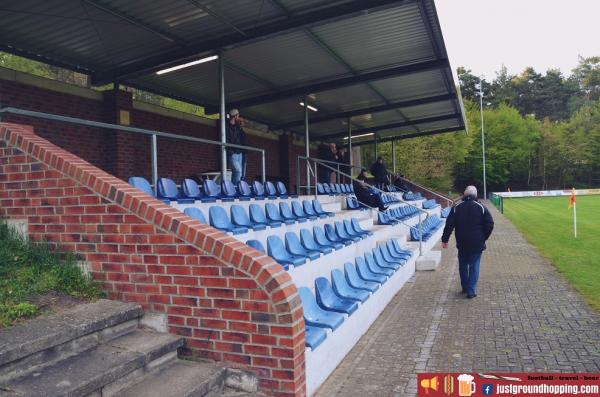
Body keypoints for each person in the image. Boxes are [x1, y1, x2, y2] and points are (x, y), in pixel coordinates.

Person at [441, 185, 494, 299]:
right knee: (474, 265)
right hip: (477, 242)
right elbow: (490, 224)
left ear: (464, 195)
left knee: (463, 265)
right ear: (475, 195)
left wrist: (445, 240)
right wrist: (484, 237)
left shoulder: (456, 207)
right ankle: (471, 291)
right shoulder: (481, 207)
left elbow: (449, 225)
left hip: (462, 242)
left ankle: (465, 287)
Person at [226, 109, 247, 184]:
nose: (239, 117)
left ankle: (233, 187)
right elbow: (229, 139)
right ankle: (236, 189)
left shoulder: (238, 126)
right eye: (238, 115)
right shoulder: (227, 126)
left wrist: (241, 125)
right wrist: (230, 151)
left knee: (236, 173)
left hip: (239, 152)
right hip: (232, 152)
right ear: (235, 116)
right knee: (238, 171)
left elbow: (241, 137)